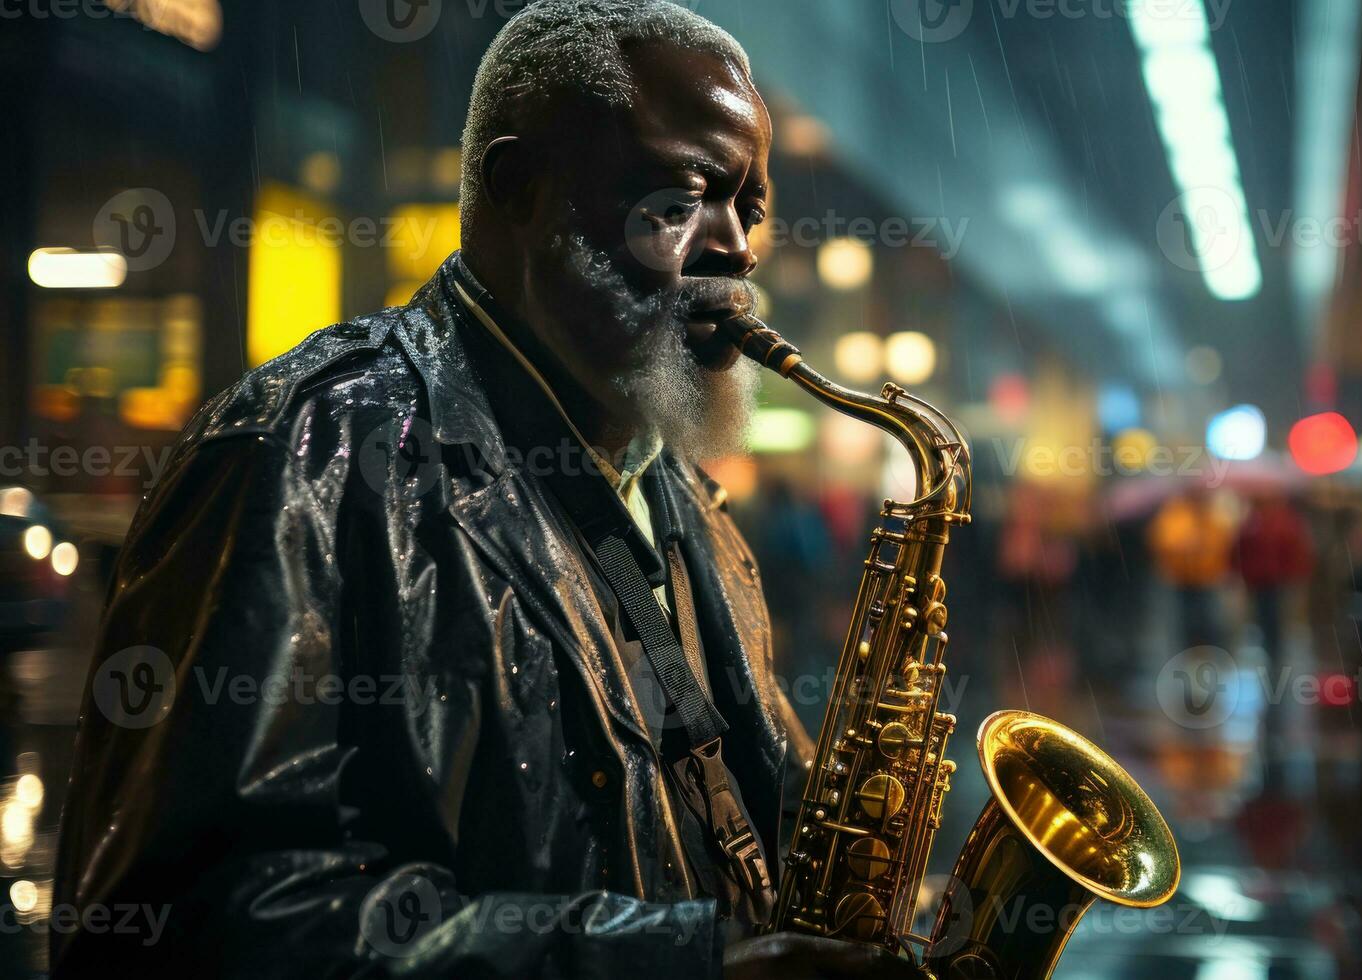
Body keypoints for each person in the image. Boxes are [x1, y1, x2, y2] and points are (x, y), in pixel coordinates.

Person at [52, 4, 912, 978]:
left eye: (747, 207)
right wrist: (678, 960)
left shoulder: (679, 501)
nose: (738, 250)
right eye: (681, 197)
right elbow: (189, 925)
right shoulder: (302, 449)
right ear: (520, 187)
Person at [1232, 492, 1312, 667]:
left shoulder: (1286, 523)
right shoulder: (1252, 523)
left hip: (1279, 581)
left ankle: (1276, 653)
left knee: (1277, 618)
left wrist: (1295, 575)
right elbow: (1240, 550)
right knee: (1264, 617)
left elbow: (1296, 552)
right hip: (1259, 581)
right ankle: (1271, 651)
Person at [1148, 488, 1233, 651]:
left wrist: (1205, 548)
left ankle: (1209, 647)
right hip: (1180, 576)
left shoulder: (1212, 515)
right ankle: (1188, 647)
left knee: (1208, 615)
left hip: (1207, 575)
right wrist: (1184, 546)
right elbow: (1161, 541)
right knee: (1184, 616)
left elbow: (1221, 542)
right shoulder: (1174, 514)